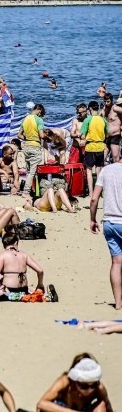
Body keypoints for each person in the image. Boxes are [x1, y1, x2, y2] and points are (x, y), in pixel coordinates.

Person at [36, 354, 115, 412]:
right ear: (74, 380)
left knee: (101, 406)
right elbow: (41, 404)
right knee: (43, 410)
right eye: (84, 386)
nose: (89, 390)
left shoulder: (99, 389)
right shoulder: (64, 383)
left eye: (93, 385)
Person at [89, 153, 122, 310]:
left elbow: (94, 199)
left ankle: (118, 303)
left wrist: (92, 219)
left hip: (110, 221)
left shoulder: (106, 171)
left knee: (116, 263)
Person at [0, 229, 44, 295]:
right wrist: (40, 284)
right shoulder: (24, 255)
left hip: (8, 291)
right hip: (23, 290)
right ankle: (37, 291)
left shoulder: (3, 256)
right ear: (16, 243)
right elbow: (40, 271)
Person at [82, 101, 108, 196]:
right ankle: (100, 192)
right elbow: (107, 133)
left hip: (90, 147)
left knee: (89, 170)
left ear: (90, 109)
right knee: (99, 170)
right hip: (100, 146)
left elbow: (82, 135)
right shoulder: (103, 120)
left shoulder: (87, 120)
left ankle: (91, 192)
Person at [19, 103, 46, 198]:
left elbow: (19, 135)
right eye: (41, 113)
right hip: (35, 146)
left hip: (26, 146)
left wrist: (27, 138)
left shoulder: (25, 119)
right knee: (32, 172)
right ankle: (26, 192)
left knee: (28, 170)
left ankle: (31, 189)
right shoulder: (39, 120)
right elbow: (42, 135)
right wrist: (49, 137)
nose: (41, 115)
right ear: (39, 110)